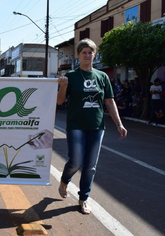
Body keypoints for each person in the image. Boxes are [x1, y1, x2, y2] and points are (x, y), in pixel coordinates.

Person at [56, 38, 127, 214]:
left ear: (94, 54)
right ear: (78, 55)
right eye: (84, 52)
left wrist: (119, 123)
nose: (87, 55)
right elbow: (60, 101)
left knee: (90, 166)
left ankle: (83, 199)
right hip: (76, 125)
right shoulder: (71, 76)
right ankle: (65, 180)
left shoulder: (102, 77)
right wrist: (63, 87)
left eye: (90, 52)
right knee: (76, 161)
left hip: (96, 126)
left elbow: (109, 102)